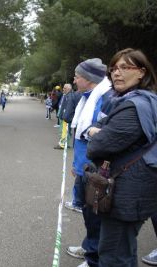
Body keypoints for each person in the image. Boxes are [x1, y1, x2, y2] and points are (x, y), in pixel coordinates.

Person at [86, 48, 157, 266]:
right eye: (114, 68)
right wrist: (98, 129)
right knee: (122, 250)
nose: (117, 73)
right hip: (138, 188)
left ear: (141, 72)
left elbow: (98, 147)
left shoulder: (134, 106)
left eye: (125, 67)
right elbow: (103, 127)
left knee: (114, 256)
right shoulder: (143, 100)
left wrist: (93, 133)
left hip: (128, 193)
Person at [65, 58, 112, 267]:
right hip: (85, 166)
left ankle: (95, 258)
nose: (74, 80)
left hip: (96, 169)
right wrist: (77, 166)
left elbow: (102, 136)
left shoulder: (105, 98)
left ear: (89, 78)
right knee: (88, 213)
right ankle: (90, 248)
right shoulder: (88, 97)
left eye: (77, 76)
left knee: (95, 215)